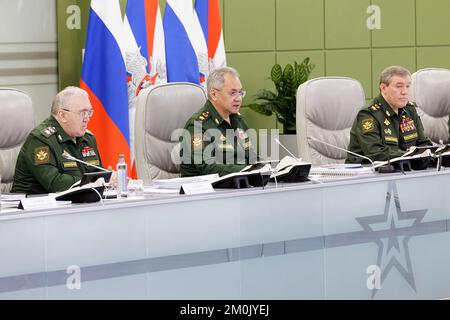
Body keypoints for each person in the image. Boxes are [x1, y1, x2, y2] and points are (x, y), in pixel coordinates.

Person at [11, 86, 104, 194]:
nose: (87, 119)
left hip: (75, 203)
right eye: (82, 113)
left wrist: (109, 179)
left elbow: (98, 173)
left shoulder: (88, 138)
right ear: (62, 115)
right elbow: (55, 183)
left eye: (89, 112)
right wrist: (92, 183)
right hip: (35, 206)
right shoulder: (40, 140)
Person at [180, 67, 257, 177]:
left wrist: (266, 168)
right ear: (214, 94)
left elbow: (251, 157)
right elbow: (206, 167)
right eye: (232, 93)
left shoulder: (237, 120)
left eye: (240, 93)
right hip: (205, 191)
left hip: (236, 186)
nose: (239, 98)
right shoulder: (197, 125)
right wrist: (247, 170)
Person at [346, 66, 432, 164]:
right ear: (383, 88)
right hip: (368, 174)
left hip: (404, 170)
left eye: (408, 86)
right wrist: (411, 155)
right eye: (399, 86)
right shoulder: (368, 114)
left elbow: (424, 143)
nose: (405, 92)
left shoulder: (410, 110)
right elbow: (376, 153)